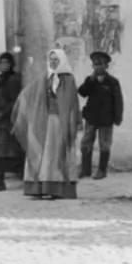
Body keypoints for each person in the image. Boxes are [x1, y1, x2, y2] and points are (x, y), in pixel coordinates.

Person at [15, 47, 81, 200]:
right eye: (51, 60)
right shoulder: (44, 77)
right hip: (44, 122)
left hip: (61, 123)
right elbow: (28, 94)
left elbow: (72, 103)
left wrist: (73, 120)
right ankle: (40, 187)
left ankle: (59, 188)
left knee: (58, 154)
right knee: (42, 154)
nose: (53, 62)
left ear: (62, 60)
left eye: (56, 60)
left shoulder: (69, 79)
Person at [79, 49, 124, 181]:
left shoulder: (112, 82)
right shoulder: (90, 80)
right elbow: (82, 92)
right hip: (91, 117)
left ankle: (101, 170)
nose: (98, 67)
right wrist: (91, 81)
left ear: (106, 66)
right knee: (86, 142)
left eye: (101, 64)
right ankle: (85, 169)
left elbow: (118, 101)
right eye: (95, 64)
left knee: (104, 144)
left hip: (106, 118)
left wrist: (117, 117)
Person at [0, 50, 23, 192]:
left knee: (4, 152)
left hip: (6, 120)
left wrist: (1, 114)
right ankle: (0, 179)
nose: (4, 65)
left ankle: (0, 181)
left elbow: (14, 101)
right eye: (1, 62)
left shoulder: (13, 80)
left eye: (7, 62)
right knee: (2, 151)